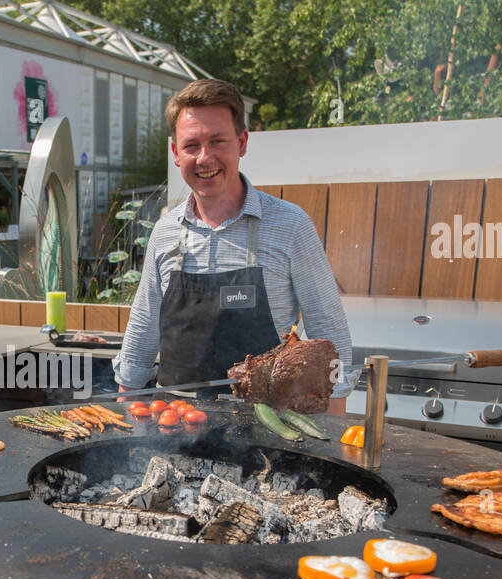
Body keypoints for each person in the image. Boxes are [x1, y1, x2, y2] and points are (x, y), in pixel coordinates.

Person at [113, 79, 352, 414]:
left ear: (241, 143)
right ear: (176, 153)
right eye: (191, 145)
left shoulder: (290, 225)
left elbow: (328, 328)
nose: (204, 158)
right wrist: (126, 408)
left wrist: (335, 421)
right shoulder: (165, 233)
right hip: (174, 428)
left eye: (217, 141)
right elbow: (143, 327)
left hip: (268, 437)